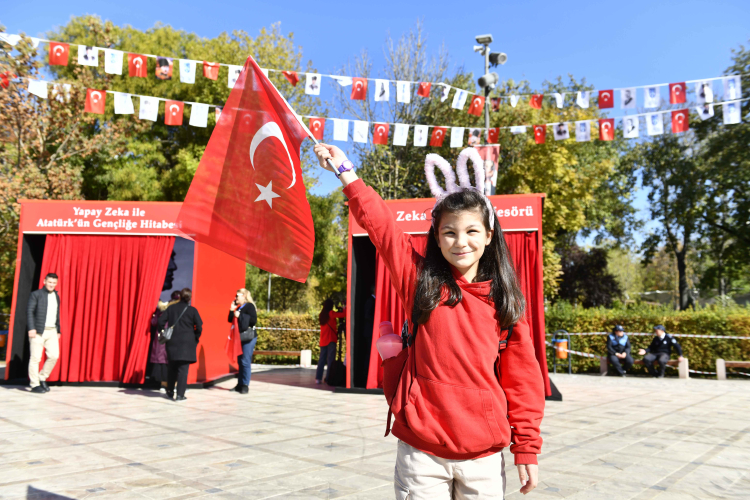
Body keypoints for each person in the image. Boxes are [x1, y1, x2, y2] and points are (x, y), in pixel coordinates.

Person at [314, 143, 544, 497]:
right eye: (450, 232)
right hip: (421, 453)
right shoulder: (420, 282)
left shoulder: (505, 301)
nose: (461, 242)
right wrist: (345, 170)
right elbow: (383, 229)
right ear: (437, 237)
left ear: (489, 235)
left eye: (472, 231)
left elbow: (523, 380)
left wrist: (526, 446)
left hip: (483, 456)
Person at [158, 288, 202, 401]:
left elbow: (160, 321)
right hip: (187, 344)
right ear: (189, 298)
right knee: (183, 370)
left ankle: (169, 391)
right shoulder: (192, 310)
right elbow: (199, 326)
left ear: (180, 297)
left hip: (172, 342)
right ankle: (180, 395)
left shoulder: (171, 308)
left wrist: (162, 331)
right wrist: (195, 338)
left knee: (172, 368)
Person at [27, 273, 61, 394]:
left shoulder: (56, 296)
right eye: (49, 282)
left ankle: (42, 377)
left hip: (52, 331)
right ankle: (34, 384)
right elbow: (30, 311)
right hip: (38, 331)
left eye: (54, 283)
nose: (51, 284)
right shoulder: (36, 294)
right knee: (35, 358)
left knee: (54, 356)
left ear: (56, 283)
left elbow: (57, 314)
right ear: (44, 281)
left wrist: (58, 330)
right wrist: (31, 328)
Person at [229, 288, 258, 394]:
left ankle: (245, 385)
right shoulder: (239, 307)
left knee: (245, 361)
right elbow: (230, 319)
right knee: (240, 361)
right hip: (240, 337)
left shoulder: (249, 306)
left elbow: (253, 320)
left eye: (237, 296)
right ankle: (240, 384)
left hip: (248, 337)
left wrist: (240, 315)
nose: (235, 298)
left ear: (244, 296)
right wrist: (231, 310)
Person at [317, 298, 345, 384]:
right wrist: (345, 307)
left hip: (323, 340)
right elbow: (343, 315)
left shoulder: (321, 315)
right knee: (330, 360)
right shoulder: (331, 313)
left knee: (321, 360)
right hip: (331, 340)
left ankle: (318, 378)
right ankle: (328, 378)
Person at [149, 300, 170, 390]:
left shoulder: (159, 313)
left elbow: (153, 322)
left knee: (160, 362)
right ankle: (166, 384)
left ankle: (162, 384)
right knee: (166, 362)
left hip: (159, 338)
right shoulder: (171, 312)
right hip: (168, 337)